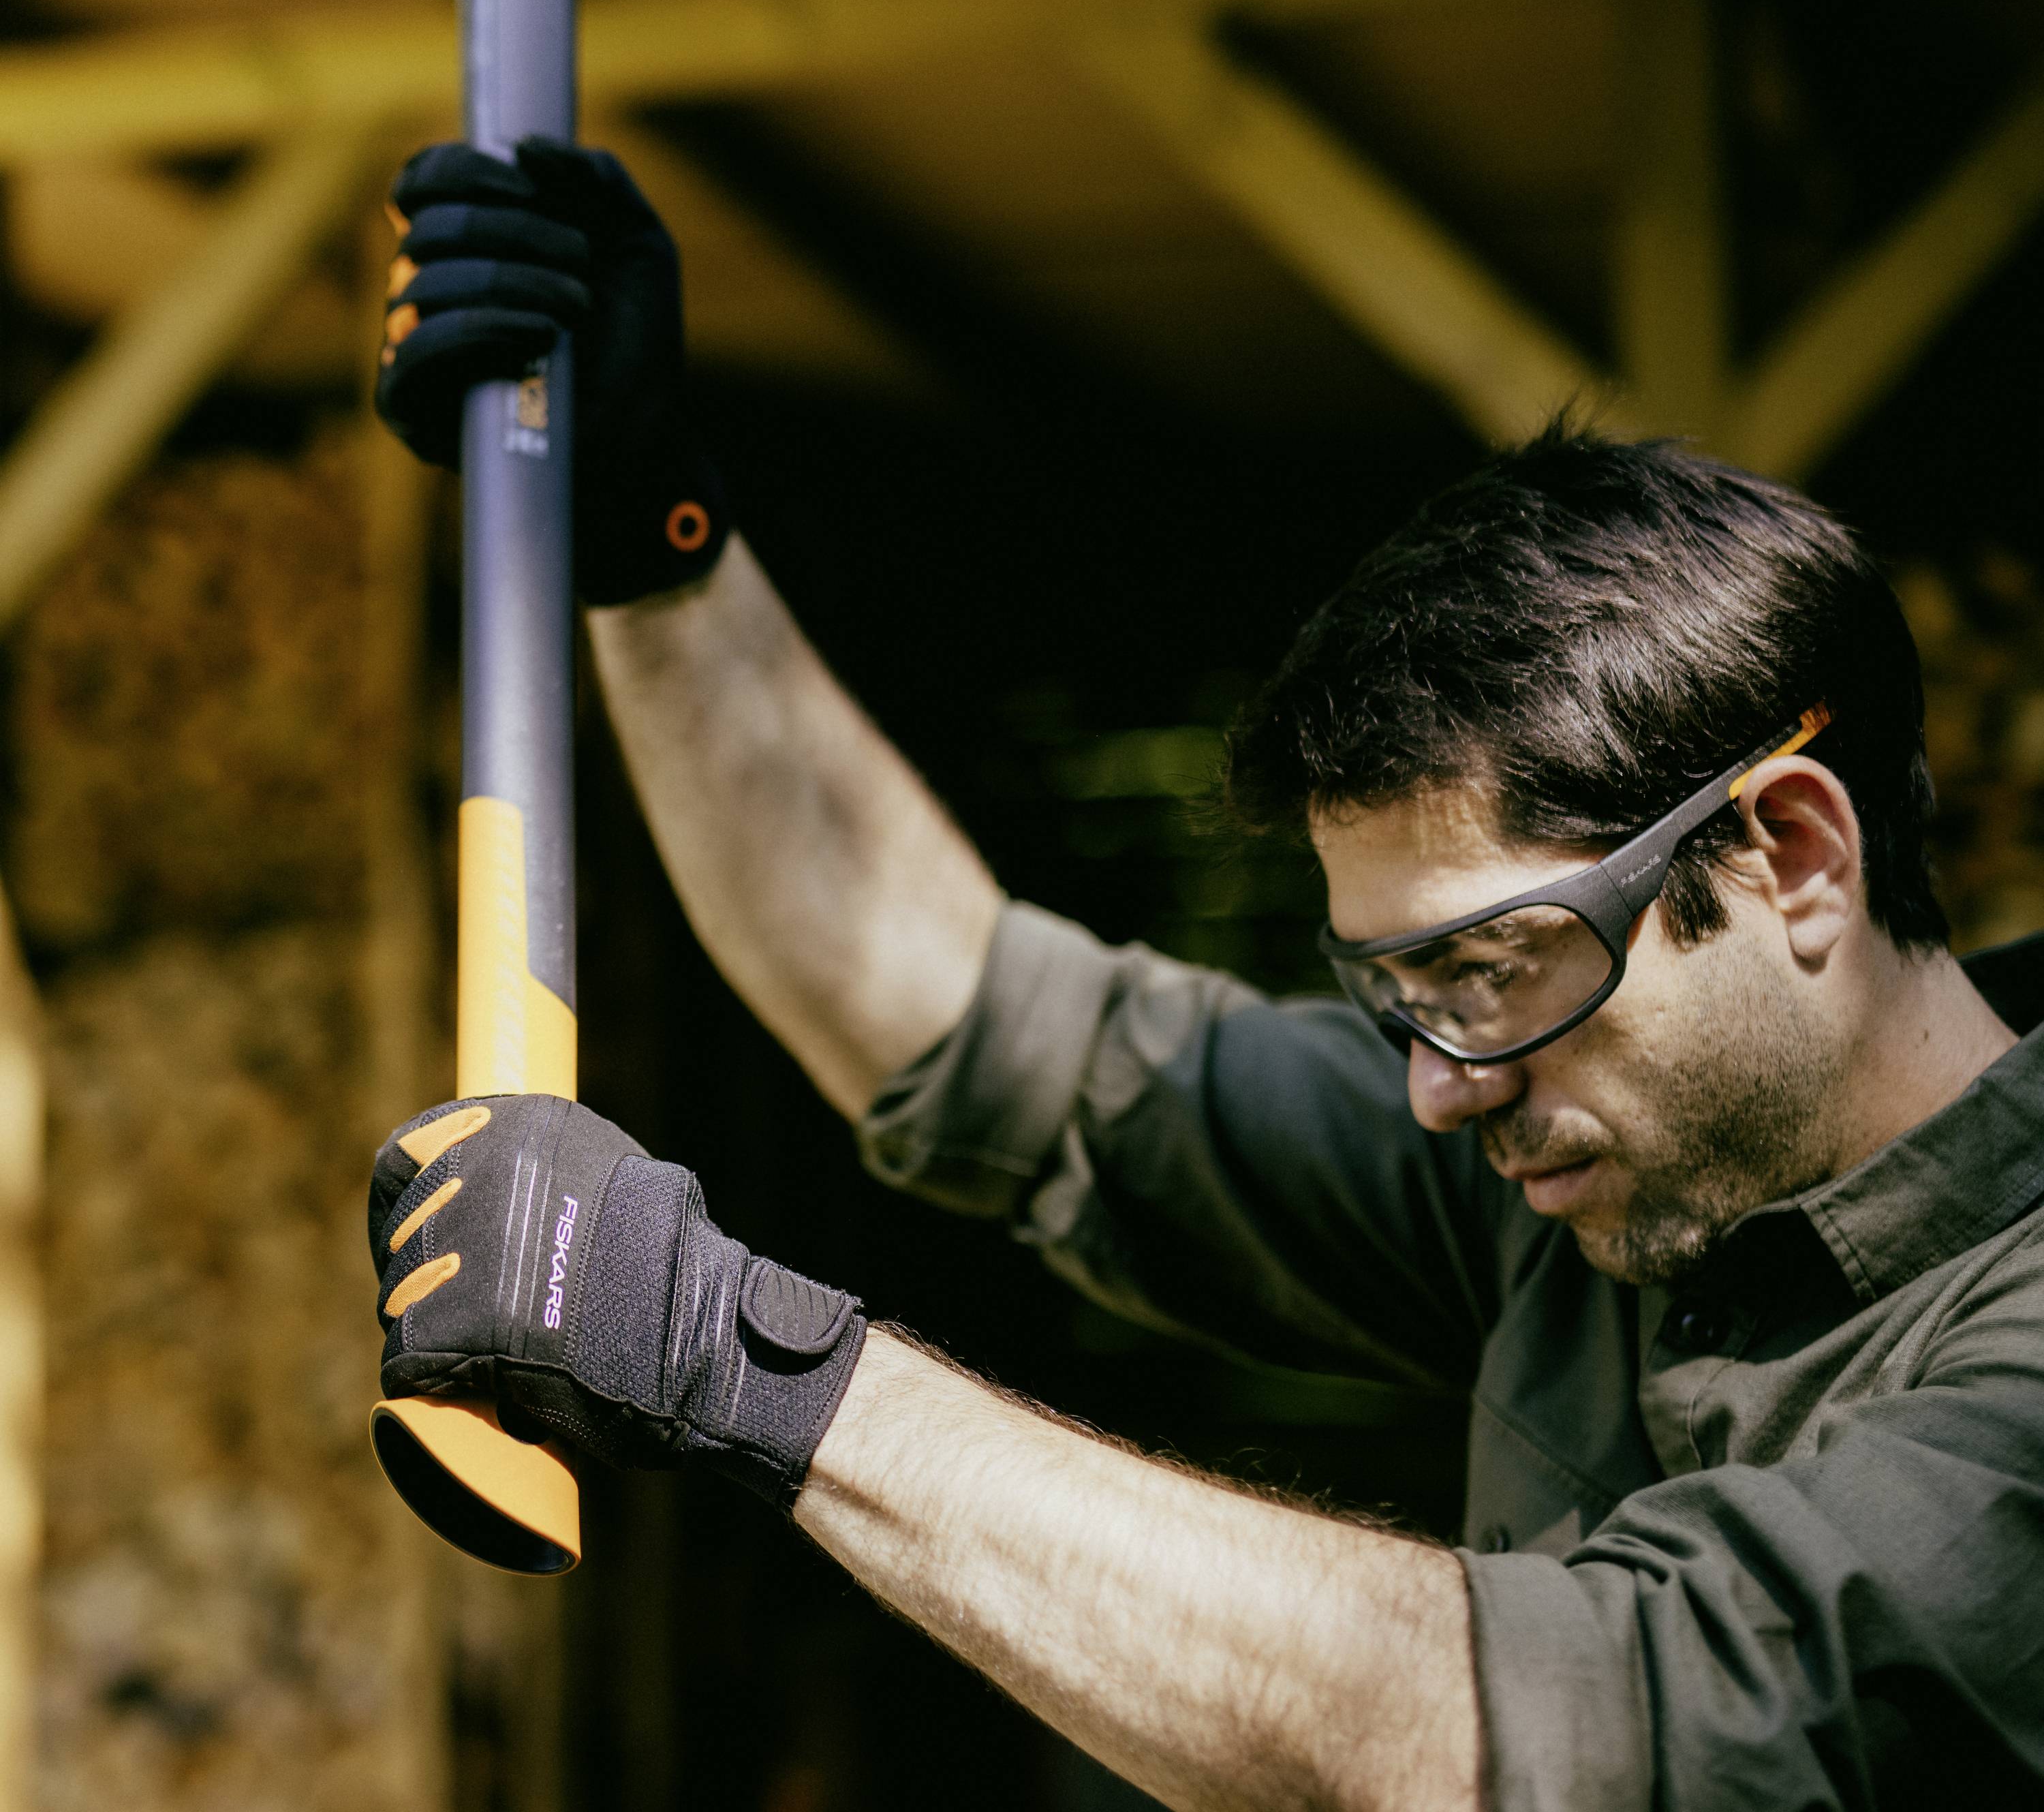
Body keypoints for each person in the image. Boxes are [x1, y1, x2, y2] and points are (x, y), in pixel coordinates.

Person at [367, 141, 2044, 1811]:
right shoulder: (1599, 1158)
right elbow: (957, 1012)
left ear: (1795, 857)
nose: (1439, 1088)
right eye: (1404, 989)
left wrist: (726, 1351)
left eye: (1498, 965)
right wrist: (651, 534)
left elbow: (1579, 1735)